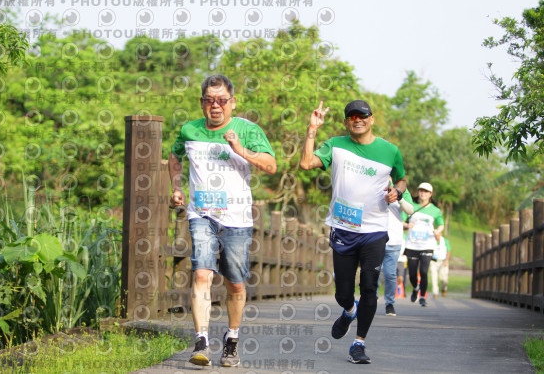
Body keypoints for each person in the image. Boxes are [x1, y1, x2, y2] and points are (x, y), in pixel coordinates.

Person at [168, 75, 276, 367]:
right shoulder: (189, 130)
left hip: (236, 219)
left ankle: (232, 339)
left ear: (233, 102)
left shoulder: (248, 129)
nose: (215, 106)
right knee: (202, 274)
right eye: (209, 100)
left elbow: (271, 165)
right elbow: (175, 156)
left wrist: (240, 150)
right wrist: (176, 187)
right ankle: (201, 341)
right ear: (202, 102)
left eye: (221, 100)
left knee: (235, 284)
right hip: (201, 214)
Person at [299, 100, 406, 364]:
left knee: (369, 286)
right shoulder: (335, 145)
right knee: (343, 293)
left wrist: (398, 191)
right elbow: (306, 163)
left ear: (372, 119)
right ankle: (349, 310)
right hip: (343, 228)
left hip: (375, 230)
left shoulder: (390, 151)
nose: (358, 120)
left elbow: (402, 178)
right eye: (352, 117)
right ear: (346, 122)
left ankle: (359, 343)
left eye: (363, 115)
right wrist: (312, 129)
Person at [402, 182, 445, 307]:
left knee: (424, 271)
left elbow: (441, 224)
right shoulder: (411, 206)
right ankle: (416, 287)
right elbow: (402, 219)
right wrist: (407, 225)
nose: (423, 193)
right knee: (412, 274)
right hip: (412, 244)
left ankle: (422, 297)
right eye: (421, 190)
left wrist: (438, 231)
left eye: (426, 191)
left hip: (427, 245)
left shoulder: (435, 210)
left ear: (430, 194)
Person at [379, 186, 414, 316]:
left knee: (390, 274)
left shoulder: (402, 188)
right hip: (374, 238)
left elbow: (410, 210)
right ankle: (370, 299)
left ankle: (389, 303)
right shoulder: (375, 182)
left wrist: (400, 197)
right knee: (373, 272)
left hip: (393, 240)